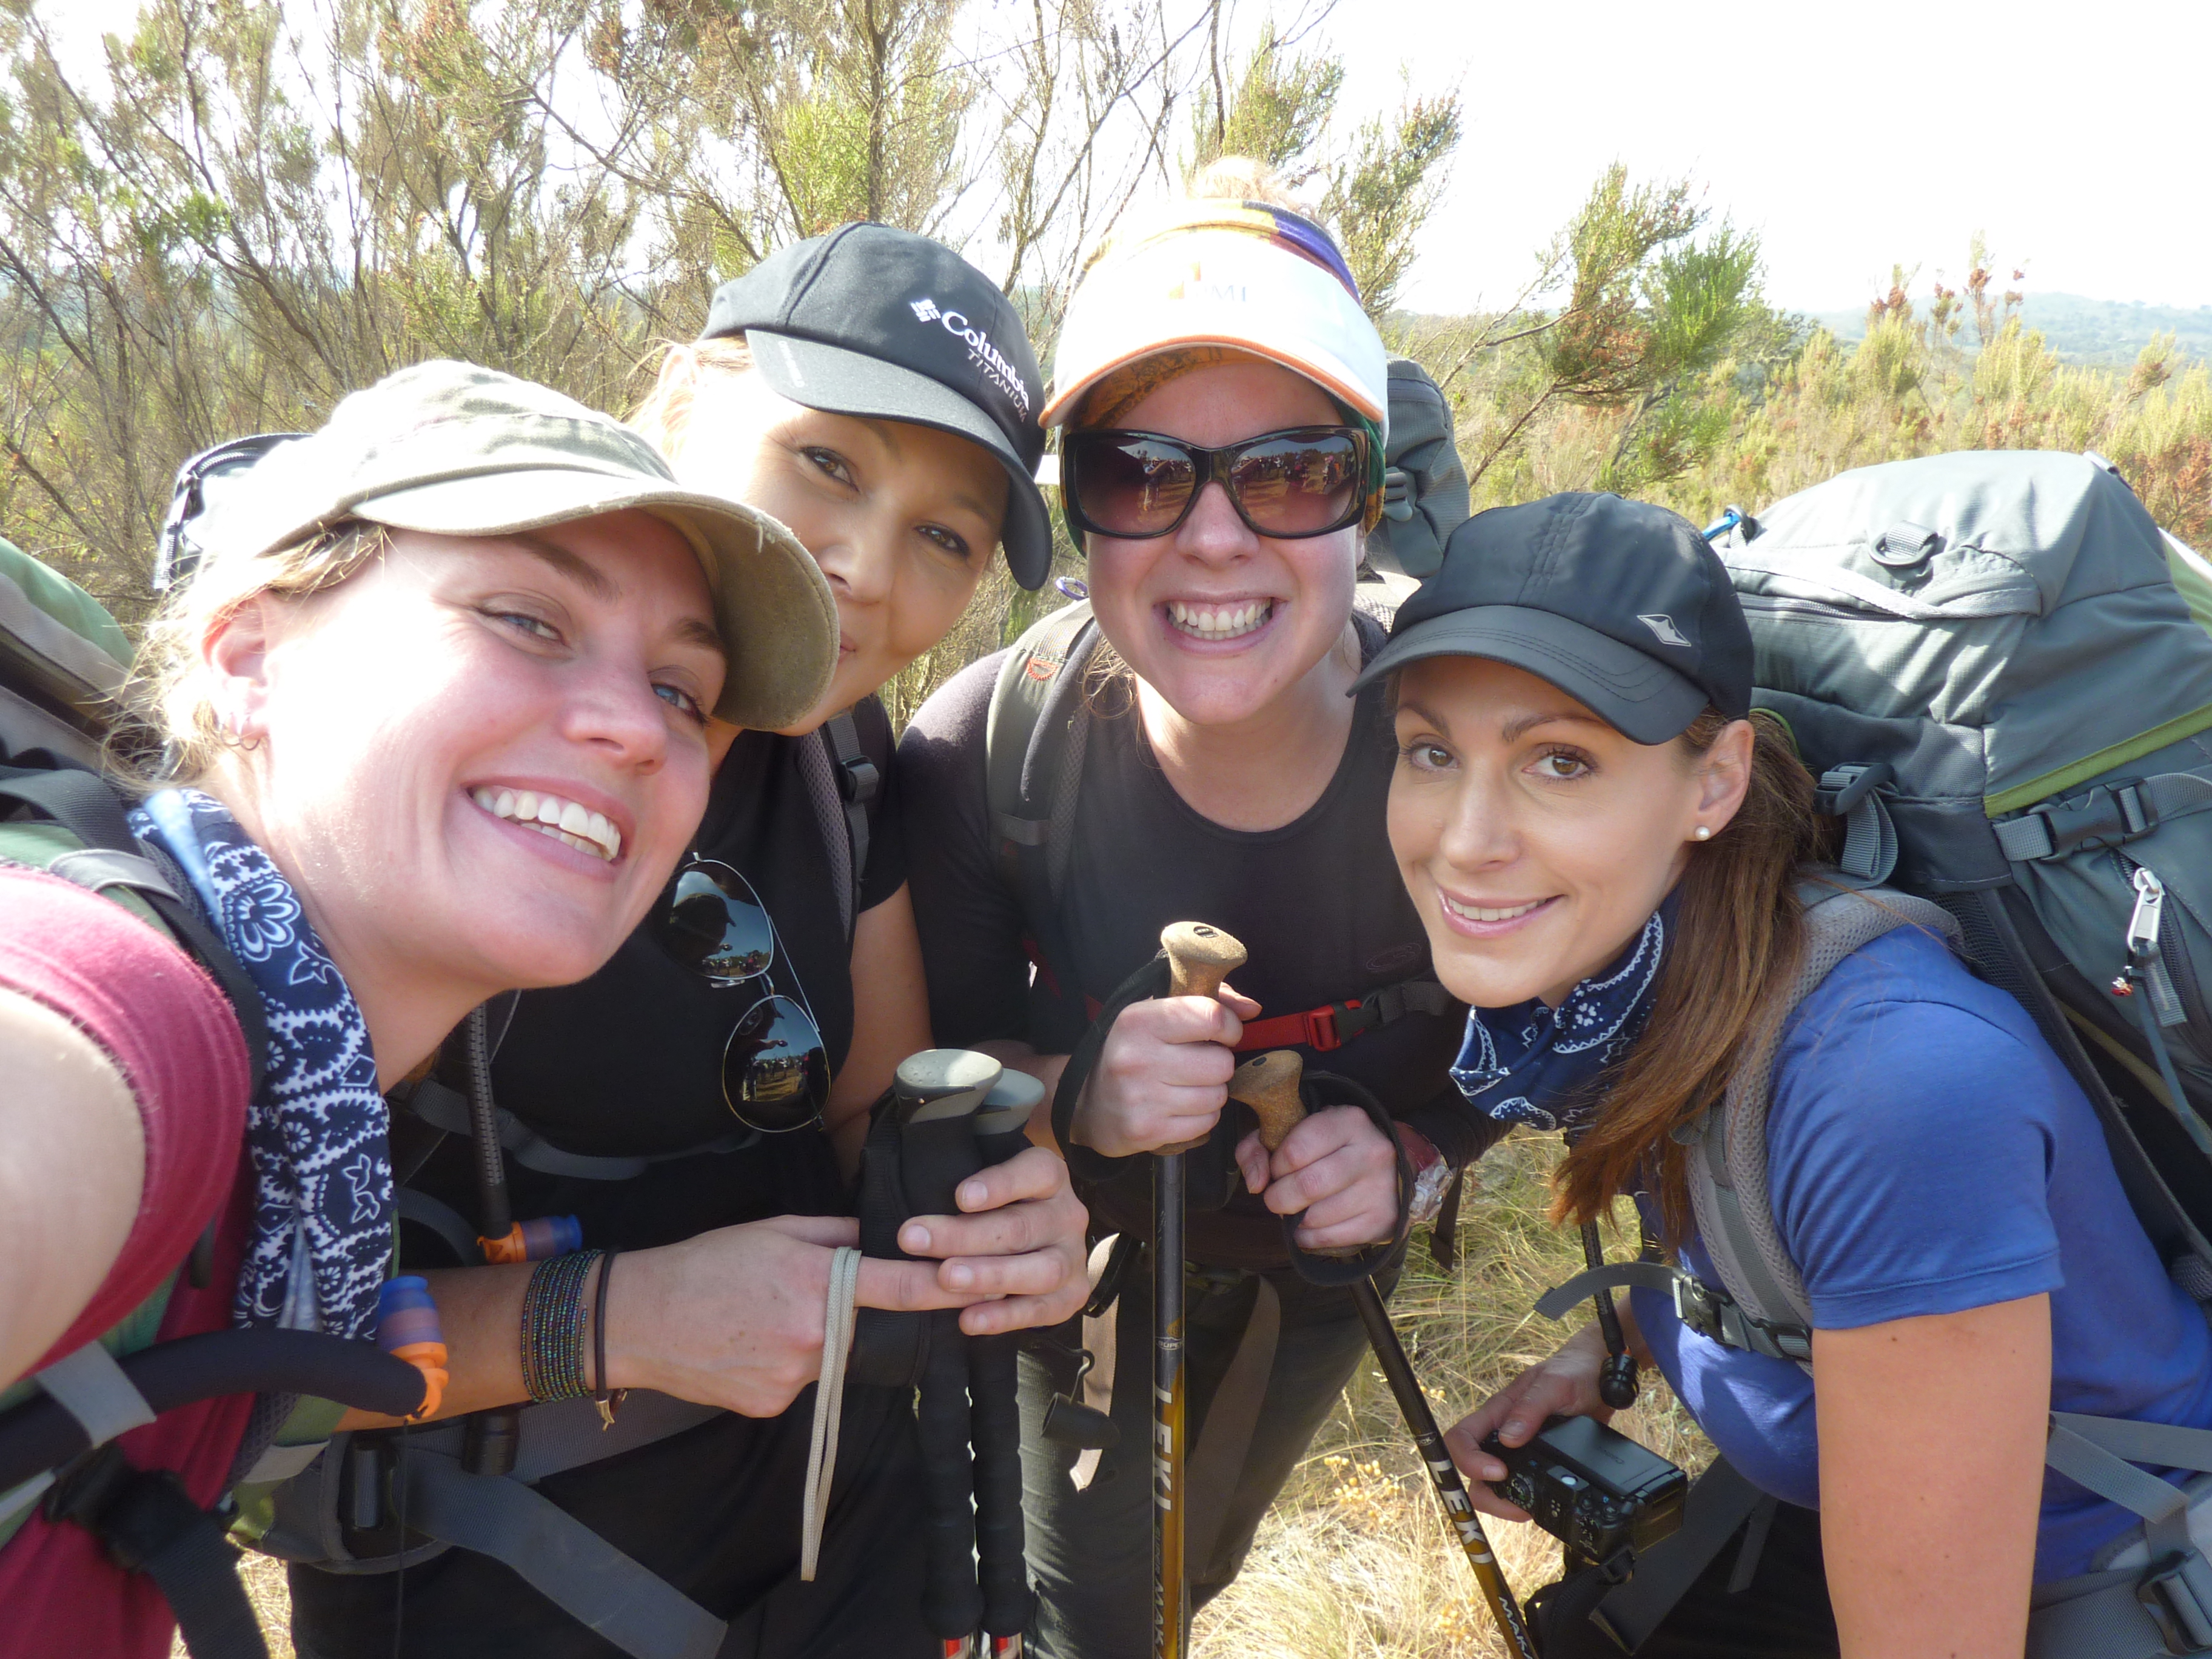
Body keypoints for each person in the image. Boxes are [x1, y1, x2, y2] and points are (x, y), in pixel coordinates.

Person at [286, 226, 1092, 1659]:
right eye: (827, 462)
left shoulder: (845, 764)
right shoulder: (461, 737)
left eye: (946, 537)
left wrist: (995, 1210)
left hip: (846, 1522)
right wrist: (620, 1319)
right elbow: (216, 1360)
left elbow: (868, 1115)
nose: (862, 566)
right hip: (485, 1553)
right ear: (682, 398)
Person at [0, 359, 856, 1657]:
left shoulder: (308, 1156)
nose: (637, 728)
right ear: (247, 657)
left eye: (682, 691)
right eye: (528, 620)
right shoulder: (135, 1014)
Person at [1364, 491, 2212, 1658]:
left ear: (1715, 783)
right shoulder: (1658, 974)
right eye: (1431, 751)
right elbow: (1758, 1222)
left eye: (1560, 761)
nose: (1465, 840)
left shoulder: (1886, 1091)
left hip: (2105, 1585)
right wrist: (1608, 1347)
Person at [899, 162, 1501, 1655]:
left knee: (1196, 1566)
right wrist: (1078, 1098)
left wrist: (1415, 1156)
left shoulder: (1472, 740)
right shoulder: (991, 754)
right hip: (1082, 1271)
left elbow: (1566, 1014)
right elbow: (912, 1085)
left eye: (1291, 472)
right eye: (1142, 473)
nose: (1216, 537)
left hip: (1317, 1288)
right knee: (1086, 1612)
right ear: (1080, 513)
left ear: (1370, 497)